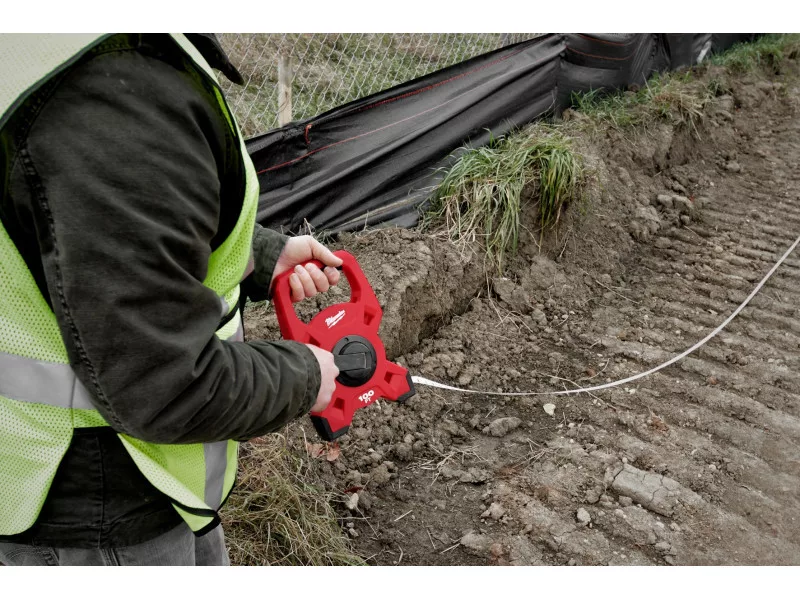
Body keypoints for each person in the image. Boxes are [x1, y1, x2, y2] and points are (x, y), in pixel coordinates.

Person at [0, 33, 341, 565]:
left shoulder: (48, 49)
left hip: (95, 481)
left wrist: (259, 254)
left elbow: (92, 229)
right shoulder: (113, 90)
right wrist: (307, 377)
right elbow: (165, 386)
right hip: (99, 509)